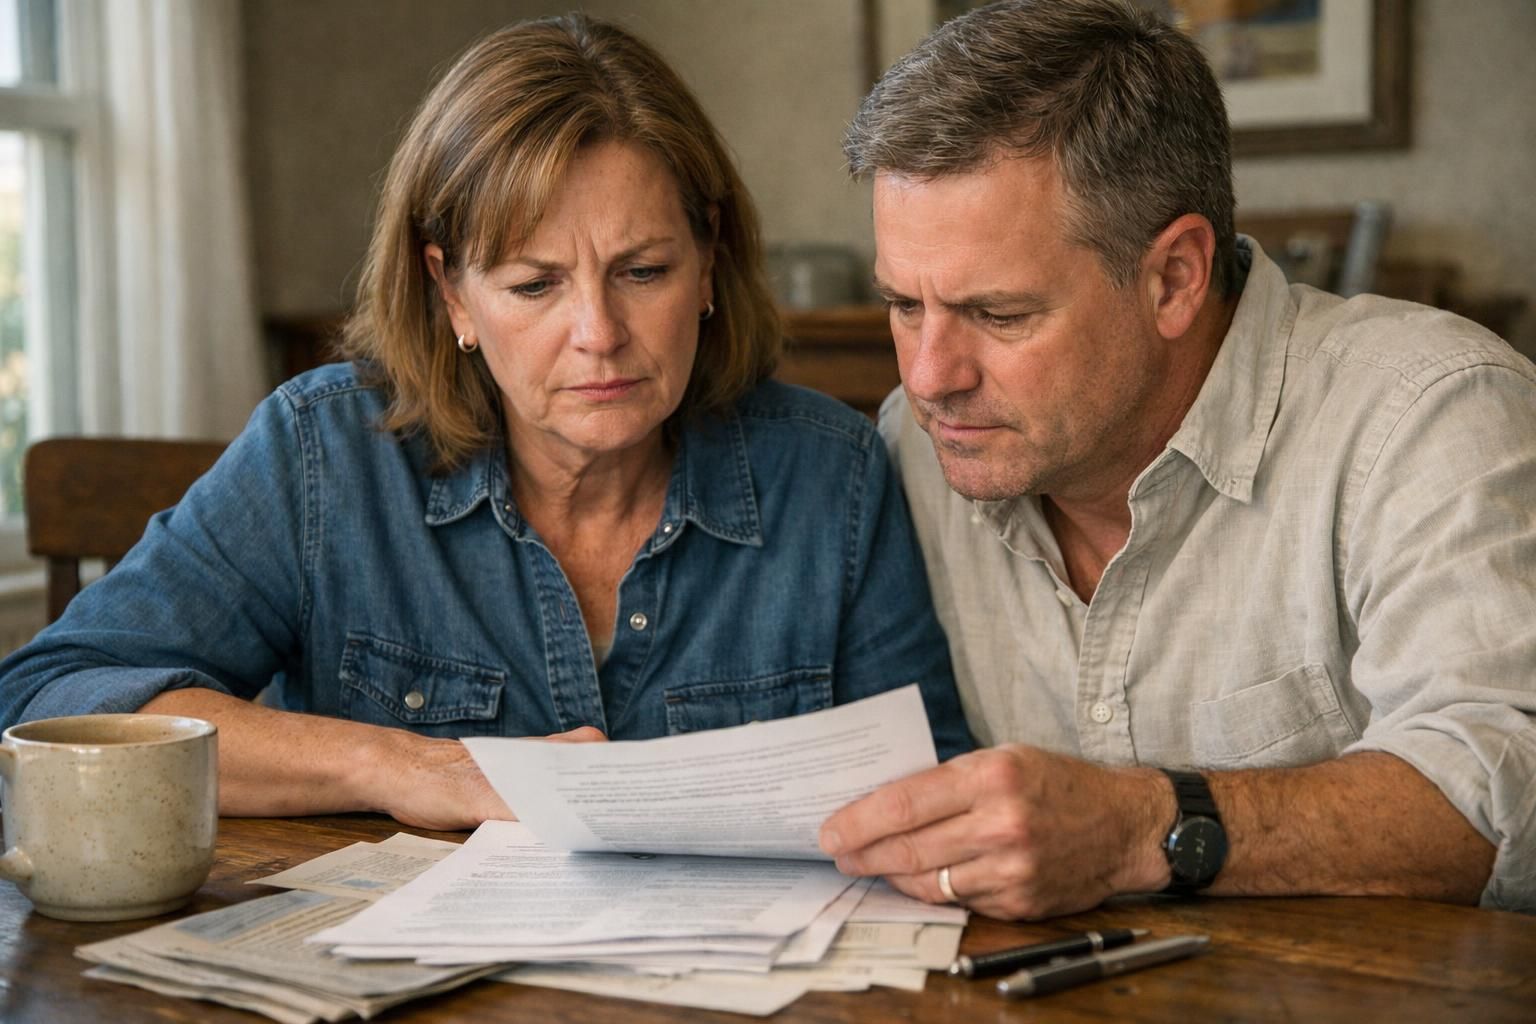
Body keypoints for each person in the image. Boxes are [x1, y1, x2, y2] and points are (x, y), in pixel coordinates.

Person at [0, 14, 970, 830]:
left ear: (709, 260)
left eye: (643, 271)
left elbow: (936, 796)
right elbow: (47, 701)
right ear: (451, 294)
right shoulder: (324, 457)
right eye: (533, 284)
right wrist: (405, 766)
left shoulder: (832, 474)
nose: (599, 334)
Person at [818, 0, 1536, 917]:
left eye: (998, 315)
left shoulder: (1430, 413)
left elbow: (1507, 794)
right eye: (905, 306)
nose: (929, 378)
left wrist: (1138, 827)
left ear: (1174, 278)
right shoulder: (905, 451)